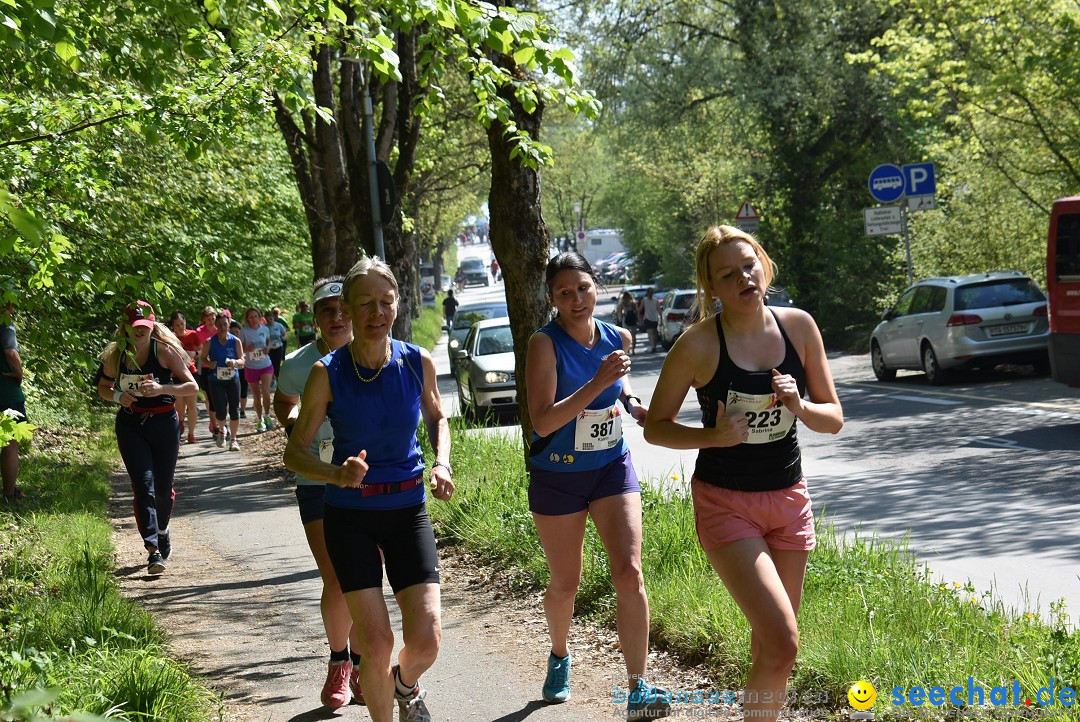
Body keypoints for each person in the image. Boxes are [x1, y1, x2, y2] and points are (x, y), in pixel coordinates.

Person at [643, 226, 843, 722]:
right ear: (711, 287)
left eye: (749, 265)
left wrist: (799, 404)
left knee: (769, 649)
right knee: (784, 644)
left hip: (788, 499)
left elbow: (834, 418)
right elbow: (656, 428)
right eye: (728, 274)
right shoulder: (698, 345)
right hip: (726, 503)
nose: (743, 278)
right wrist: (711, 435)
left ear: (765, 266)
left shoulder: (798, 327)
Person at [283, 256, 453, 722]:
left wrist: (442, 462)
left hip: (407, 511)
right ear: (349, 310)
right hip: (350, 515)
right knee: (376, 643)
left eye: (386, 301)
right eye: (365, 303)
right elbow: (294, 453)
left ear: (397, 303)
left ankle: (406, 685)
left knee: (427, 638)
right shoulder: (327, 372)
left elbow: (438, 417)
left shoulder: (417, 362)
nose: (377, 312)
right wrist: (337, 473)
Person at [523, 252, 670, 721]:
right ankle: (560, 655)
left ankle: (637, 688)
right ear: (552, 298)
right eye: (564, 292)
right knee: (567, 583)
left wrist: (632, 401)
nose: (576, 299)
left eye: (583, 288)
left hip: (610, 466)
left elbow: (619, 388)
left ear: (596, 287)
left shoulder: (616, 336)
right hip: (558, 474)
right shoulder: (543, 345)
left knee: (629, 572)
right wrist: (598, 381)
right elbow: (543, 420)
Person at [274, 277, 366, 708]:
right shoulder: (296, 363)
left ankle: (366, 665)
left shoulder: (375, 357)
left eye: (342, 308)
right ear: (314, 319)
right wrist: (296, 417)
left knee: (365, 577)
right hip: (317, 480)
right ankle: (339, 663)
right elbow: (282, 402)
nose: (336, 317)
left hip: (371, 481)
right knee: (335, 574)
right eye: (327, 310)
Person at [96, 301, 198, 573]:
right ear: (125, 328)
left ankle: (163, 531)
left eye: (144, 327)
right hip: (131, 426)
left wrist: (162, 387)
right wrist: (118, 395)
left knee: (163, 490)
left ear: (152, 327)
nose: (139, 332)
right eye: (134, 327)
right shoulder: (116, 355)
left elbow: (192, 386)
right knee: (144, 485)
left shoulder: (164, 351)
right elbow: (103, 388)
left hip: (165, 423)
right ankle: (153, 549)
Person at [200, 313, 245, 451]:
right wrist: (210, 363)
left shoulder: (235, 341)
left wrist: (235, 362)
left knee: (234, 410)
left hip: (232, 379)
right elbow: (202, 358)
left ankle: (234, 440)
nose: (222, 327)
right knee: (220, 410)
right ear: (216, 326)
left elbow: (242, 361)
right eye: (219, 325)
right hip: (216, 380)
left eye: (225, 324)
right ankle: (221, 430)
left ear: (229, 324)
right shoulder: (210, 341)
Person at [1, 301, 26, 505]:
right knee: (10, 443)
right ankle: (9, 496)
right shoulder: (4, 323)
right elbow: (10, 352)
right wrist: (19, 373)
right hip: (6, 393)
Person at [239, 307, 275, 433]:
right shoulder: (244, 331)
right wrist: (247, 348)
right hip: (251, 366)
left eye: (255, 316)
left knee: (265, 390)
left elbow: (268, 341)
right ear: (247, 319)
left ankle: (267, 416)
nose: (253, 319)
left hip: (265, 364)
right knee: (256, 395)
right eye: (251, 317)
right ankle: (260, 420)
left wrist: (268, 348)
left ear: (259, 317)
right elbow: (240, 347)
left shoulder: (264, 328)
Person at [168, 311, 201, 444]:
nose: (181, 327)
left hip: (190, 373)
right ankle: (180, 424)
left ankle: (191, 434)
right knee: (180, 407)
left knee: (192, 405)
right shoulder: (170, 338)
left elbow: (201, 349)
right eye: (177, 325)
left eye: (182, 323)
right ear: (173, 327)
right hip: (176, 375)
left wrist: (195, 353)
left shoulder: (192, 334)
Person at [193, 307, 219, 440]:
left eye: (213, 318)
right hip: (204, 367)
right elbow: (197, 349)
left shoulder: (219, 330)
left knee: (221, 397)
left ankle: (218, 421)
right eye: (208, 319)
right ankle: (213, 421)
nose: (211, 321)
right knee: (208, 397)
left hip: (219, 366)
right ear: (204, 319)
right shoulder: (199, 332)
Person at [267, 308, 288, 379]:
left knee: (277, 363)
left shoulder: (279, 325)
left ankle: (278, 378)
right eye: (268, 318)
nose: (270, 319)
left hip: (279, 346)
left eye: (271, 317)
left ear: (273, 317)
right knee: (271, 363)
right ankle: (272, 378)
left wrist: (282, 337)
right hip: (269, 348)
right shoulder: (264, 327)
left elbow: (284, 335)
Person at [616, 291, 639, 355]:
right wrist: (638, 320)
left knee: (626, 335)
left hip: (625, 320)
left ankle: (627, 348)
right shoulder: (633, 303)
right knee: (634, 335)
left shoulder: (623, 303)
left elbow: (620, 312)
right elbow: (636, 311)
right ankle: (633, 350)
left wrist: (620, 319)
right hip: (633, 320)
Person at [639, 287, 660, 353]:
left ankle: (653, 346)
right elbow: (659, 309)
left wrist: (639, 318)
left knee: (650, 334)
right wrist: (661, 317)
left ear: (647, 293)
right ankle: (654, 346)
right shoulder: (656, 300)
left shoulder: (644, 300)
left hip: (648, 319)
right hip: (655, 319)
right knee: (654, 333)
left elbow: (640, 309)